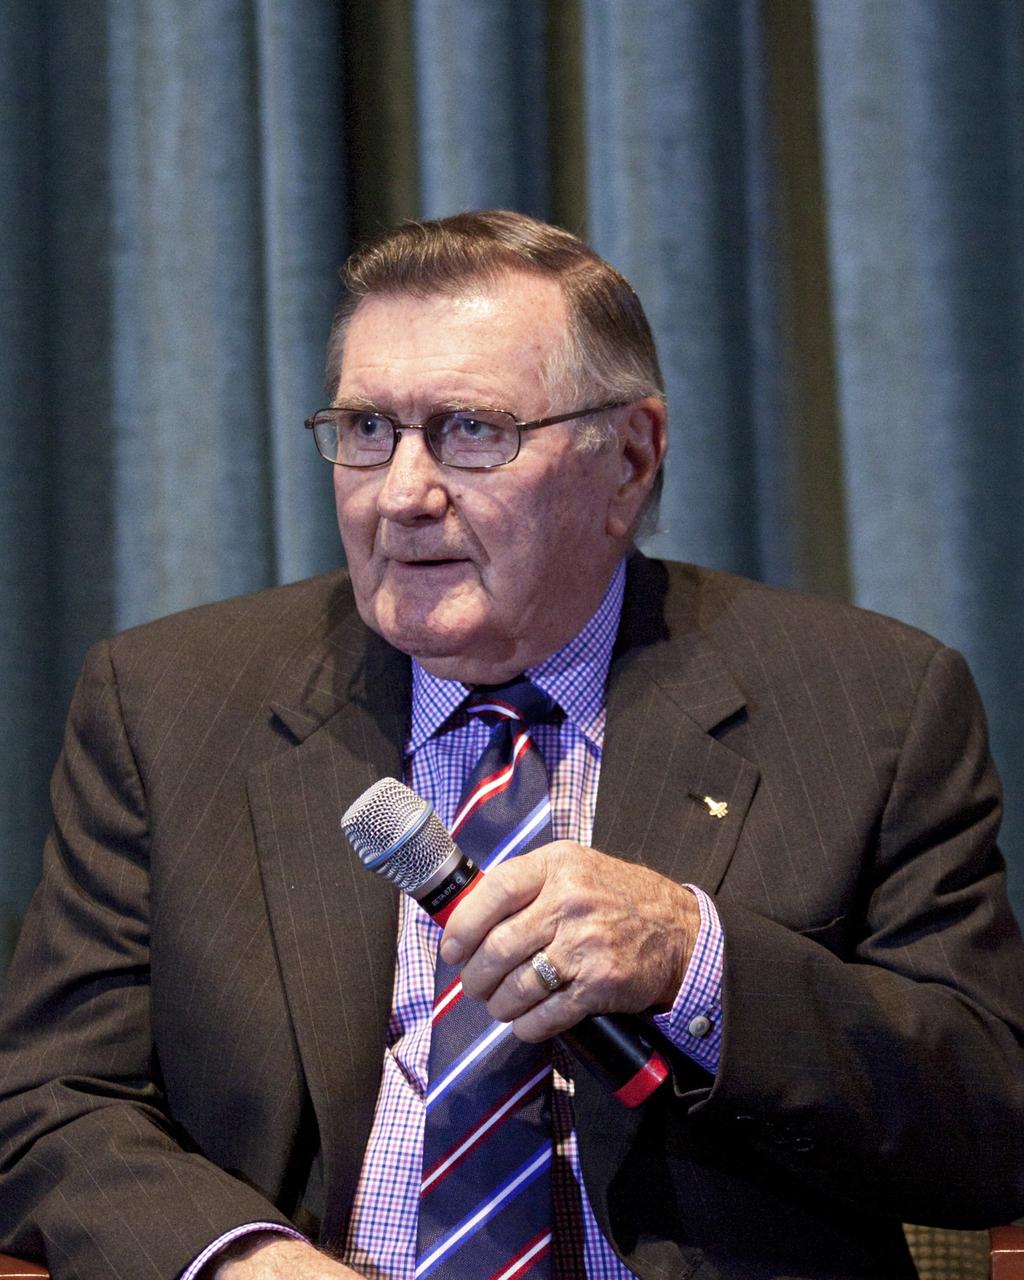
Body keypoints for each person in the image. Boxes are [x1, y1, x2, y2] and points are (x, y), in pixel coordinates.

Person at [1, 210, 1022, 1280]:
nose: (403, 493)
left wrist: (693, 957)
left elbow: (992, 1121)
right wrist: (244, 1261)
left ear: (629, 458)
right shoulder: (171, 705)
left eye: (471, 431)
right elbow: (51, 1098)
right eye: (366, 428)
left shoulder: (868, 706)